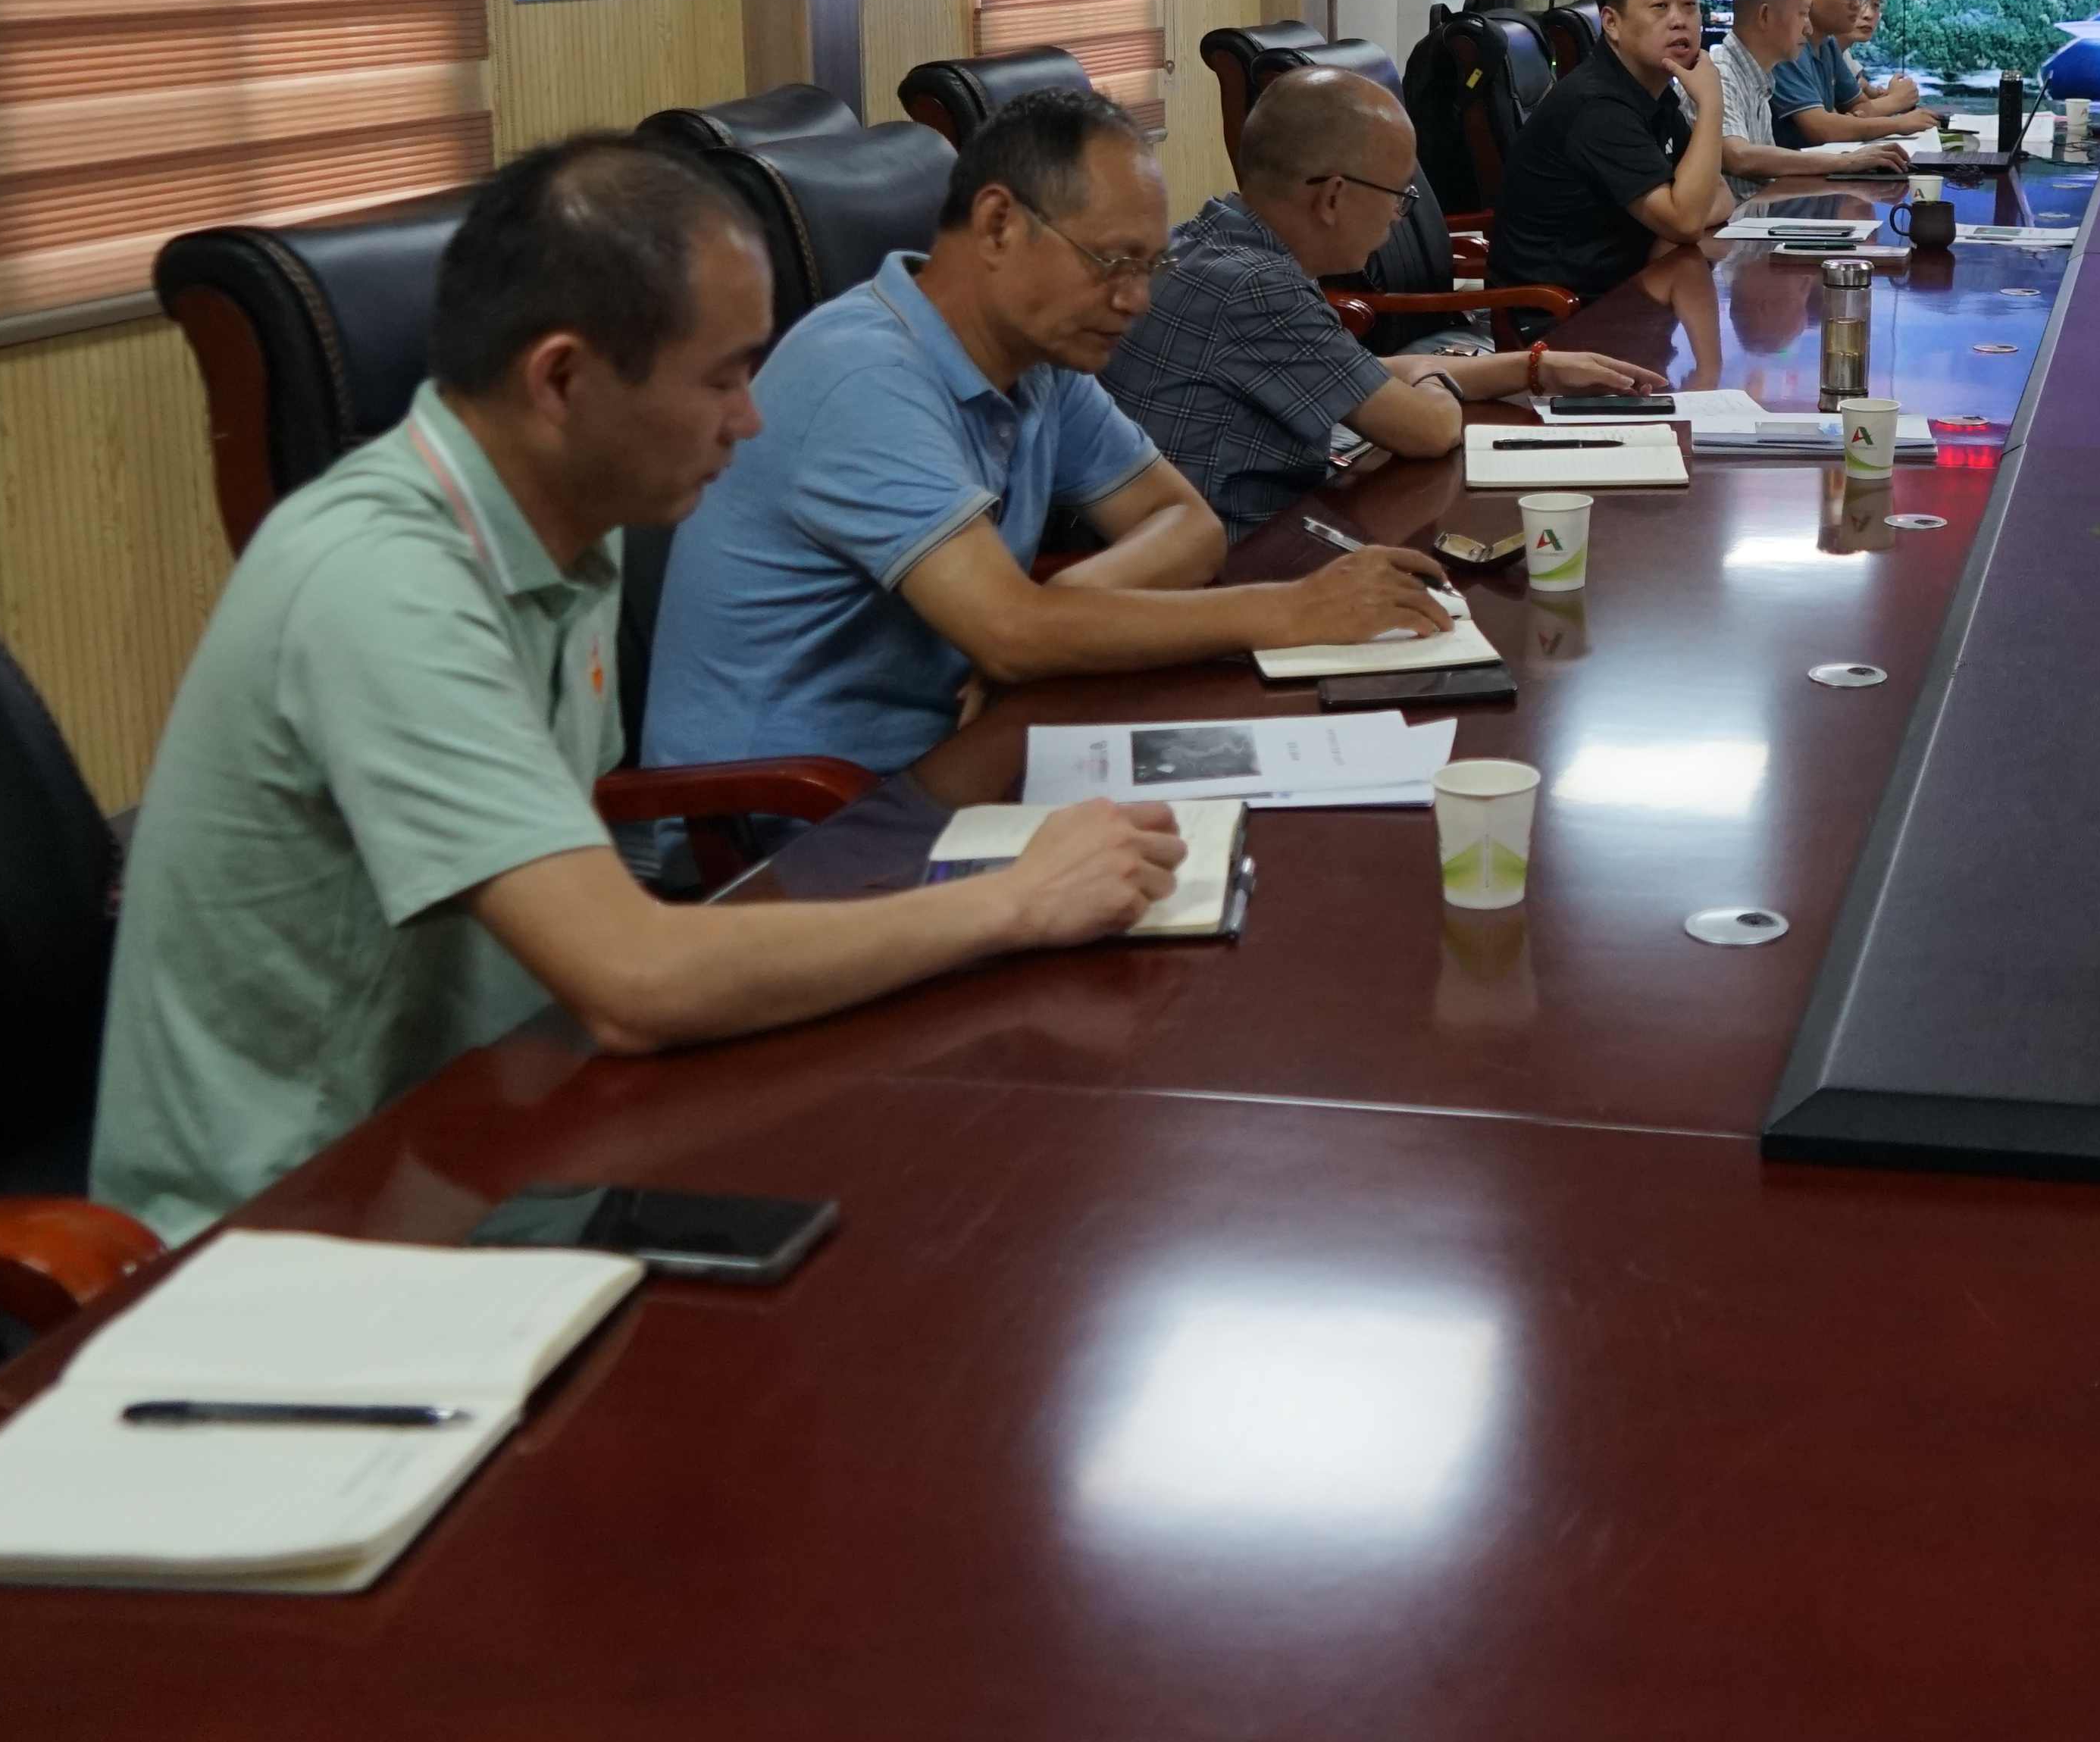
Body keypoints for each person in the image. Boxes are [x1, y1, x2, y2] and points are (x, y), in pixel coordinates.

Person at [92, 136, 1188, 1238]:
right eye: (721, 378)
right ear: (562, 380)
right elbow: (631, 978)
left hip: (501, 1134)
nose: (750, 419)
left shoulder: (571, 524)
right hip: (294, 1229)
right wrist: (1016, 901)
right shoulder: (380, 585)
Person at [646, 86, 1455, 777]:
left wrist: (1062, 604)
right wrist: (1285, 611)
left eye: (1150, 267)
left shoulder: (1039, 362)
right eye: (1112, 263)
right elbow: (1008, 636)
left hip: (960, 759)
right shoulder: (863, 375)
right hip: (790, 822)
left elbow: (1187, 524)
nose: (1135, 301)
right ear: (999, 224)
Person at [1102, 67, 1667, 532]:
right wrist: (1436, 382)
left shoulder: (1209, 239)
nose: (1400, 216)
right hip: (1243, 565)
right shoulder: (1260, 287)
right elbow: (1429, 430)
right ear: (1333, 197)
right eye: (1400, 195)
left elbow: (1359, 373)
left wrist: (1535, 367)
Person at [1488, 0, 1738, 305]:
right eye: (1659, 6)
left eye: (1689, 4)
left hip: (1625, 292)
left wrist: (1684, 219)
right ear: (1611, 23)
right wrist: (1712, 103)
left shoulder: (1652, 92)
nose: (1679, 20)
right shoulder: (1598, 106)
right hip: (1559, 316)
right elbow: (1686, 220)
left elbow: (1718, 194)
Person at [1704, 0, 1912, 193]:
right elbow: (1738, 157)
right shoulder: (1720, 73)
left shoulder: (1759, 76)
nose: (1808, 28)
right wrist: (1846, 162)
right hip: (1737, 216)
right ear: (1765, 15)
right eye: (1802, 15)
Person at [1776, 0, 1941, 141]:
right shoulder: (1787, 45)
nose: (1856, 4)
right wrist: (1898, 124)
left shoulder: (1827, 45)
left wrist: (1851, 121)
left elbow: (1860, 107)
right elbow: (1819, 128)